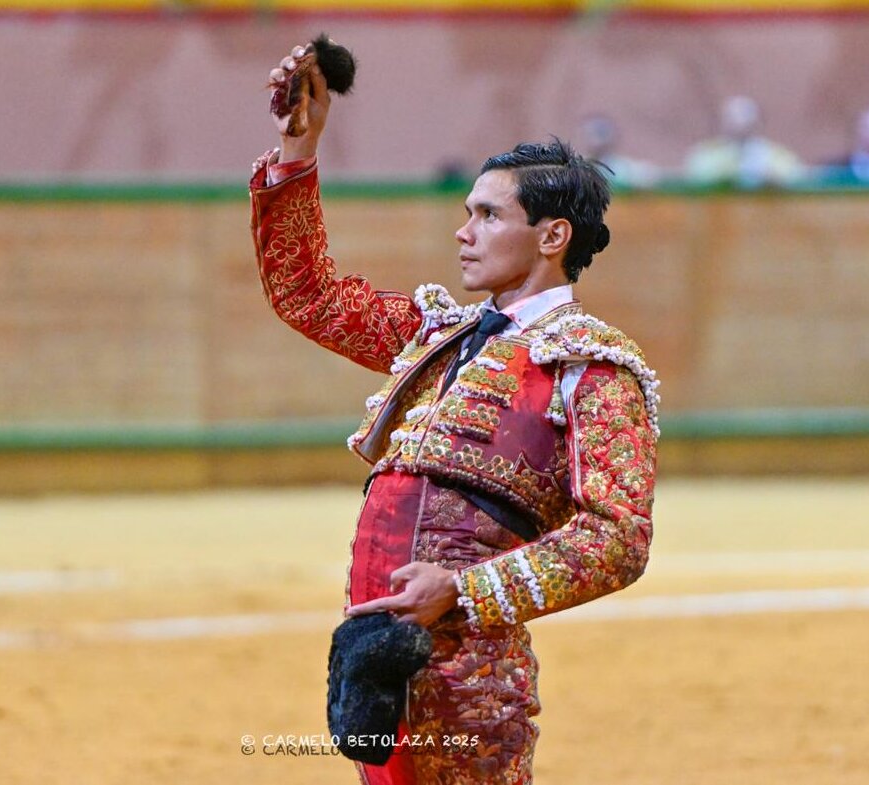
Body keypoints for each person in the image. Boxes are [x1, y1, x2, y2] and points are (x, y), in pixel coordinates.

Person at [250, 42, 660, 785]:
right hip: (376, 666)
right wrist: (300, 143)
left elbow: (617, 538)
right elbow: (307, 294)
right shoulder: (436, 338)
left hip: (470, 678)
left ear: (550, 235)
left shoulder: (591, 365)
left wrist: (462, 591)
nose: (461, 231)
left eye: (485, 214)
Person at [684, 95, 804, 189]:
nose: (738, 128)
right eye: (732, 121)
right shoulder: (706, 154)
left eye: (745, 123)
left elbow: (797, 181)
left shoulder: (777, 155)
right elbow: (696, 180)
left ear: (757, 125)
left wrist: (773, 180)